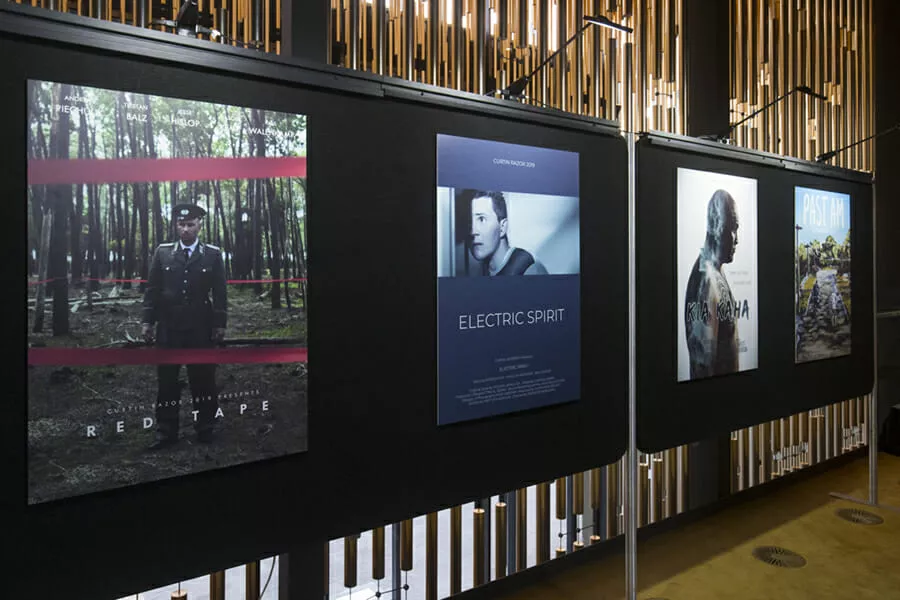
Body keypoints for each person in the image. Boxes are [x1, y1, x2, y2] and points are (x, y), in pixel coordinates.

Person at [141, 203, 227, 449]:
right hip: (168, 326)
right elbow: (153, 289)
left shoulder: (212, 254)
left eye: (191, 224)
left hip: (201, 326)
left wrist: (220, 324)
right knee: (167, 381)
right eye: (182, 224)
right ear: (175, 225)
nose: (186, 229)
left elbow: (220, 293)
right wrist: (148, 321)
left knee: (203, 379)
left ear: (200, 225)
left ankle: (206, 428)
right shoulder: (163, 253)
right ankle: (166, 432)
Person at [684, 189, 741, 380]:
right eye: (733, 228)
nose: (737, 239)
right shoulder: (705, 281)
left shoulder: (716, 271)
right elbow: (702, 367)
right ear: (717, 225)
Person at [463, 189, 548, 276]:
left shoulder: (528, 268)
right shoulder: (482, 270)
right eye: (469, 221)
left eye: (481, 219)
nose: (472, 232)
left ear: (502, 227)